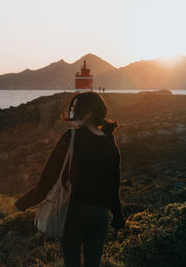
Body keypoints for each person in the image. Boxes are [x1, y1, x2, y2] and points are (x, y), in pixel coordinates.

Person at [14, 91, 126, 267]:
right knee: (93, 263)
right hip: (101, 215)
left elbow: (48, 178)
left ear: (88, 113)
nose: (72, 112)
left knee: (71, 263)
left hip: (74, 212)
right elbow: (113, 184)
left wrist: (23, 203)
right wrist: (118, 215)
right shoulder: (109, 142)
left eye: (75, 109)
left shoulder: (71, 137)